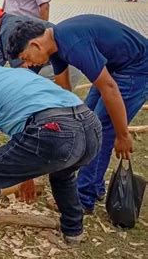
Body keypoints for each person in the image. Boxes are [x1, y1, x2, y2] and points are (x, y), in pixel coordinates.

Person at [0, 47, 101, 259]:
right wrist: (25, 174)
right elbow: (27, 129)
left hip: (54, 132)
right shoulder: (19, 74)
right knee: (62, 172)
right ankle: (74, 230)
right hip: (89, 125)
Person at [8, 15, 148, 213]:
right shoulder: (54, 46)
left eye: (25, 58)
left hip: (137, 67)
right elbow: (65, 89)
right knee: (87, 122)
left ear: (35, 45)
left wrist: (123, 134)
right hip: (116, 66)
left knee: (100, 130)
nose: (29, 64)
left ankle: (83, 199)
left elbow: (109, 88)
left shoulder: (73, 45)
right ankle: (94, 185)